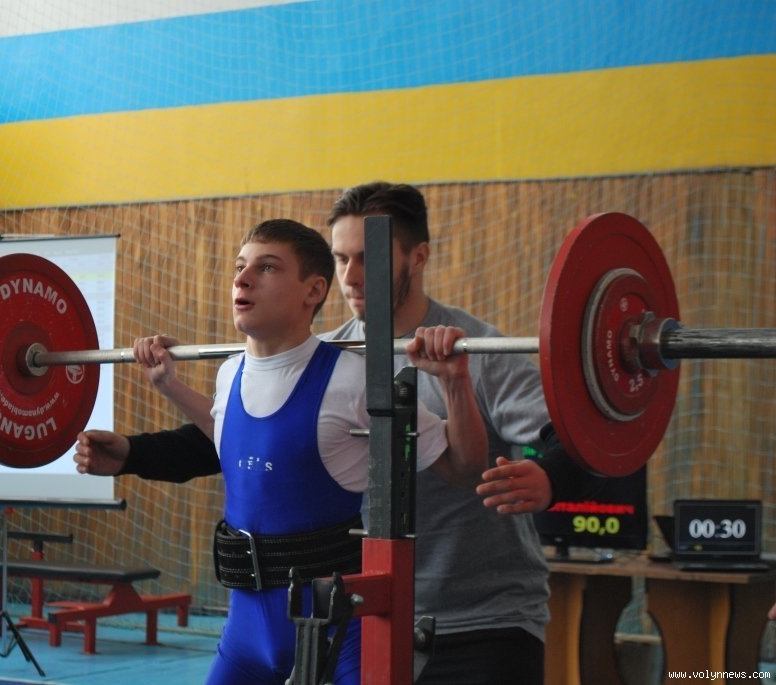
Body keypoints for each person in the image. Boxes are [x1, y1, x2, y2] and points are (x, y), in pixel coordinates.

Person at [78, 182, 602, 684]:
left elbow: (576, 436)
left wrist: (550, 477)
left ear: (418, 257)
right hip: (367, 606)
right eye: (342, 258)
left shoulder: (478, 351)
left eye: (368, 257)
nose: (351, 275)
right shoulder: (329, 356)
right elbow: (250, 442)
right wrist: (133, 454)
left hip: (478, 618)